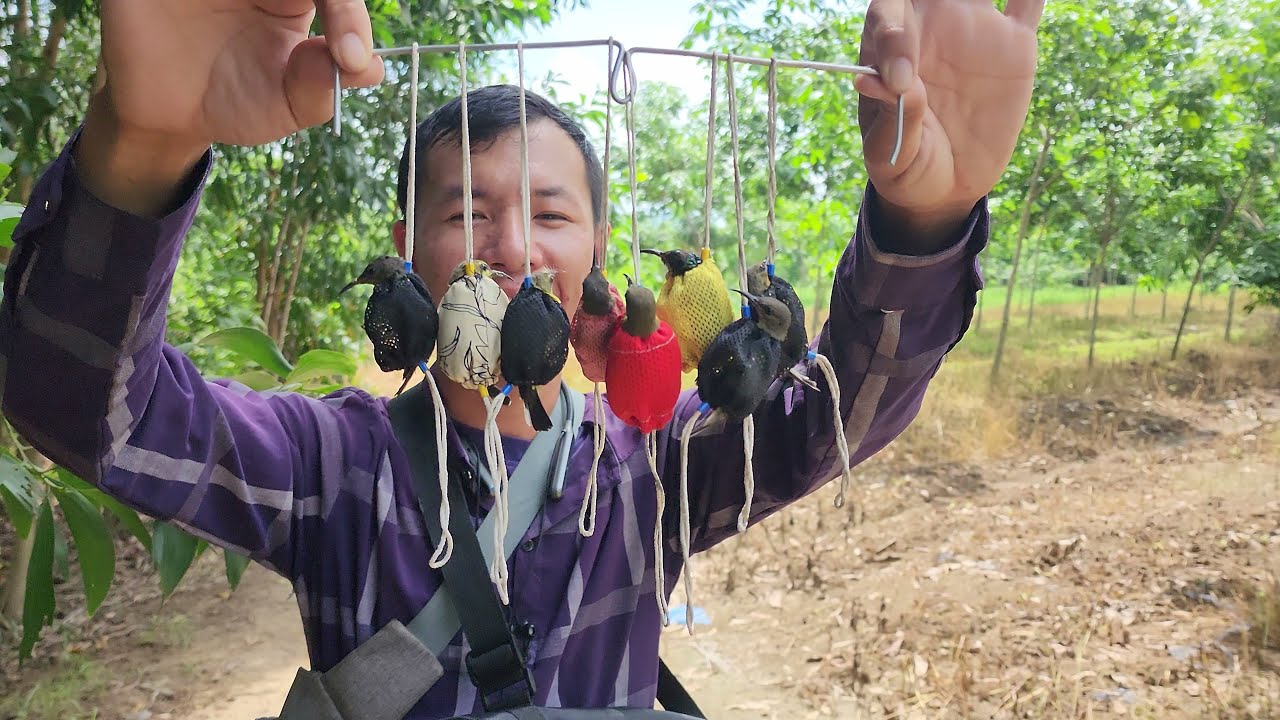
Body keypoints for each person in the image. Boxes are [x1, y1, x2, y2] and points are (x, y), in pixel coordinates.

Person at [0, 0, 1044, 717]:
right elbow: (96, 411)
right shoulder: (330, 461)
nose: (510, 245)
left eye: (548, 212)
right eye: (466, 213)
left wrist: (924, 219)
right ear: (408, 256)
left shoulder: (646, 465)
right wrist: (138, 150)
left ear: (593, 248)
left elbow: (838, 415)